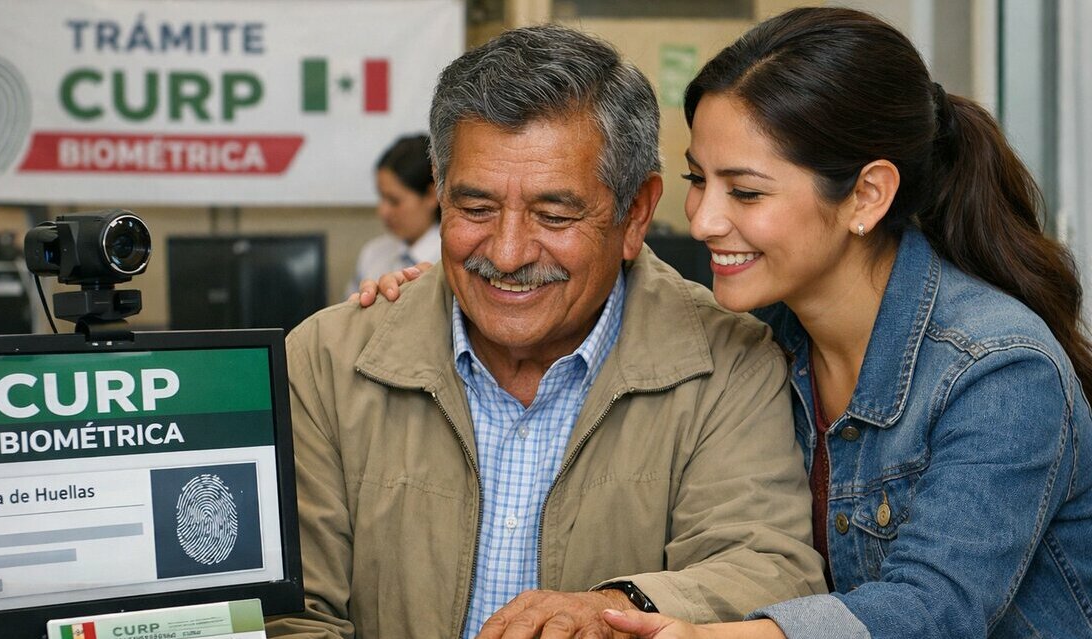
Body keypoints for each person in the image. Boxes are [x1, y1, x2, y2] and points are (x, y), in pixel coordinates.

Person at [358, 8, 1092, 639]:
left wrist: (711, 633)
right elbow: (612, 275)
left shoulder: (1000, 369)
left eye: (744, 192)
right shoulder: (766, 327)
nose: (704, 219)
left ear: (867, 195)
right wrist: (463, 284)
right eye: (698, 180)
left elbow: (934, 610)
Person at [265, 24, 825, 639]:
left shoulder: (728, 364)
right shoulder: (326, 361)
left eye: (554, 216)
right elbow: (285, 611)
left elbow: (766, 570)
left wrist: (619, 607)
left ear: (636, 213)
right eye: (475, 209)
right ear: (440, 192)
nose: (507, 254)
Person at [345, 133, 442, 298]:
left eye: (394, 201)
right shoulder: (373, 254)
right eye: (381, 197)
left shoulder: (451, 261)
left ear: (431, 195)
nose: (383, 211)